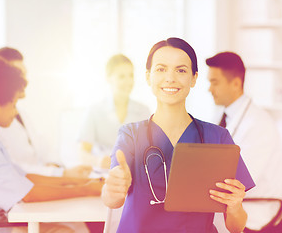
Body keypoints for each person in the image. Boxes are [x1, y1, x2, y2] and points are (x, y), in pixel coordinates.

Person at [102, 38, 255, 233]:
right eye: (161, 69)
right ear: (148, 77)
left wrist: (234, 206)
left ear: (194, 78)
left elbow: (236, 226)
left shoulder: (217, 137)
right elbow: (112, 200)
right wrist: (112, 188)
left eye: (181, 70)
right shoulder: (131, 135)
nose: (170, 78)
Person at [0, 57, 103, 233]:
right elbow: (28, 194)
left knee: (76, 226)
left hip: (4, 221)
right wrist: (85, 189)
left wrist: (80, 181)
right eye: (14, 104)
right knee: (68, 230)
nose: (15, 112)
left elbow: (26, 178)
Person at [206, 52, 282, 231]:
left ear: (236, 84)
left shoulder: (259, 124)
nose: (209, 89)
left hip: (253, 207)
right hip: (227, 201)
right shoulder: (222, 114)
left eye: (214, 82)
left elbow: (239, 180)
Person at [0, 47, 91, 178]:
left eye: (24, 74)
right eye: (18, 74)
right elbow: (10, 167)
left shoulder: (22, 114)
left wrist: (54, 165)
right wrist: (60, 173)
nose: (24, 81)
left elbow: (43, 147)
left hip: (38, 182)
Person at [78, 54, 150, 169]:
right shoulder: (94, 111)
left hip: (134, 176)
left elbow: (148, 151)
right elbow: (82, 153)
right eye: (121, 76)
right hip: (102, 175)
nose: (128, 81)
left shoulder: (143, 111)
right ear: (108, 78)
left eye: (131, 75)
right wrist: (98, 161)